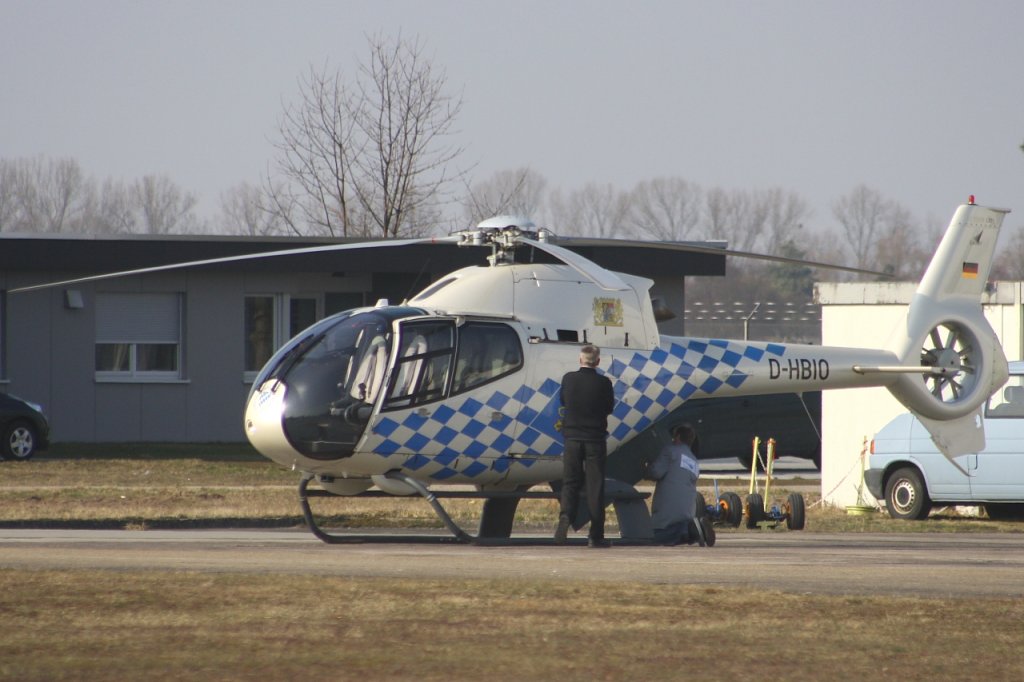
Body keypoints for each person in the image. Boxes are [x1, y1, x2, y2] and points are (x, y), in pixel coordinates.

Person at [555, 344, 616, 548]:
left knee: (570, 482)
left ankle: (565, 516)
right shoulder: (604, 383)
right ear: (597, 361)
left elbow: (563, 401)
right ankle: (595, 535)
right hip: (595, 440)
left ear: (580, 360)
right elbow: (609, 408)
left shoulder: (569, 379)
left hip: (572, 438)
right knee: (595, 486)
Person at [645, 423, 715, 547]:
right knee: (678, 532)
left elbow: (656, 472)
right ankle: (693, 530)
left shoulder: (670, 451)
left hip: (667, 516)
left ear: (677, 437)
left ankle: (691, 531)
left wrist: (645, 467)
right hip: (687, 513)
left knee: (653, 539)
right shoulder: (694, 460)